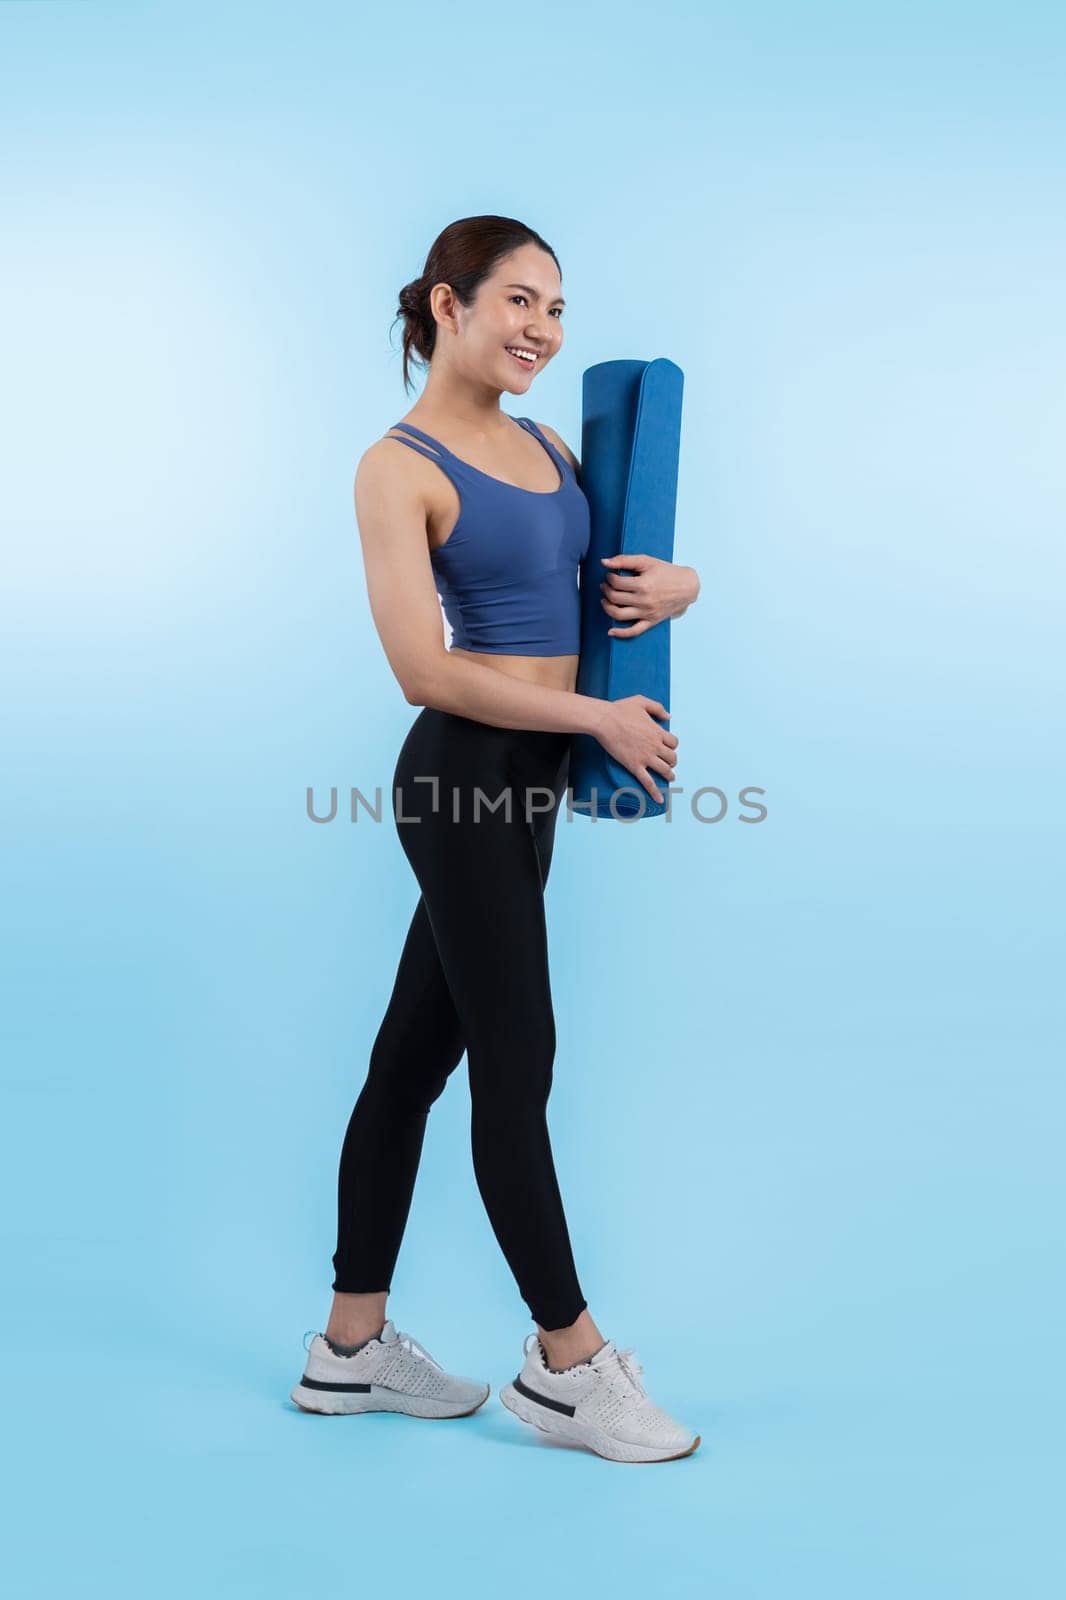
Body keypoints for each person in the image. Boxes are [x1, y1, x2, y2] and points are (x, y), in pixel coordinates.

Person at [291, 216, 702, 1463]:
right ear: (445, 305)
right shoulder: (395, 465)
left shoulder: (544, 444)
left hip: (536, 776)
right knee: (514, 1062)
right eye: (518, 300)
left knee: (413, 1060)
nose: (541, 329)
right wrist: (592, 714)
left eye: (558, 308)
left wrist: (681, 589)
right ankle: (567, 1363)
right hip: (464, 775)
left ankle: (347, 1349)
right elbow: (425, 668)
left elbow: (595, 592)